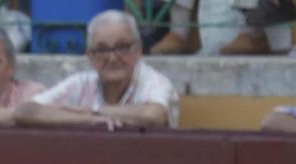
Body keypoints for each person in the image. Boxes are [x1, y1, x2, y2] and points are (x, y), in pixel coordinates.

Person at [13, 11, 179, 130]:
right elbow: (25, 111)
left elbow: (154, 115)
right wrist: (88, 119)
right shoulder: (81, 83)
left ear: (138, 50)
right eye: (102, 50)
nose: (112, 58)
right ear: (90, 56)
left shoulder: (154, 81)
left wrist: (94, 110)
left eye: (122, 47)